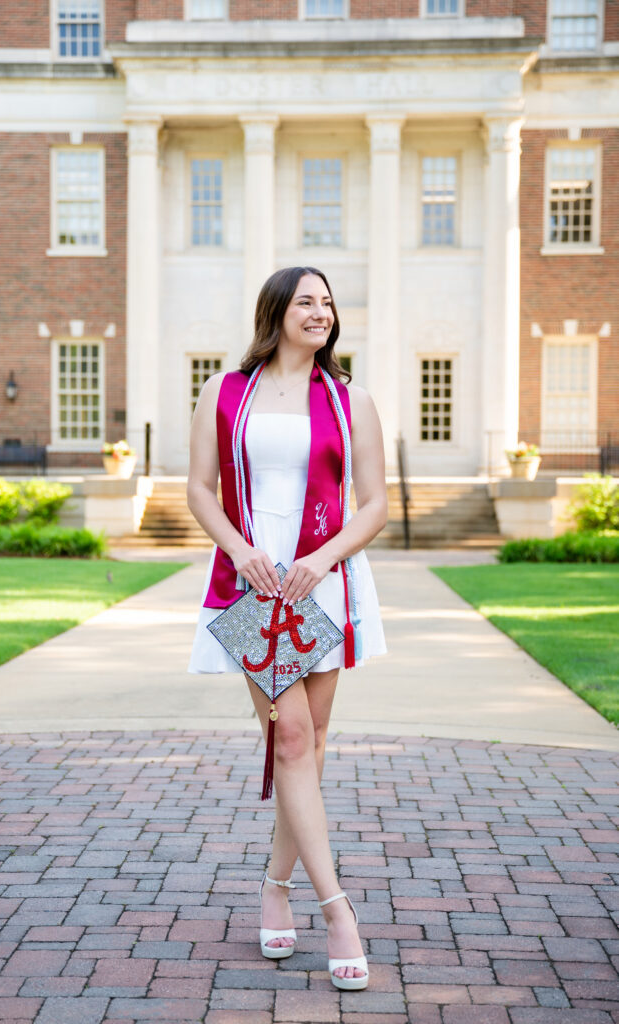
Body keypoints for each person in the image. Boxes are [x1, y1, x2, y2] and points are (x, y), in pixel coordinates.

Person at [187, 265, 387, 990]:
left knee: (312, 745)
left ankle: (276, 887)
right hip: (248, 585)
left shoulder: (349, 398)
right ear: (275, 310)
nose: (320, 312)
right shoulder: (225, 392)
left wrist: (322, 558)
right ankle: (339, 912)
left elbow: (374, 506)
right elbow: (197, 490)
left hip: (322, 583)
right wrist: (241, 549)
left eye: (328, 303)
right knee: (292, 736)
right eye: (306, 301)